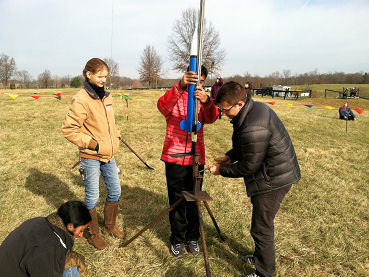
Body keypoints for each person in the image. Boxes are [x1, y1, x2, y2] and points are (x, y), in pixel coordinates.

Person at [207, 81, 301, 277]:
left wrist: (221, 169)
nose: (223, 114)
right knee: (261, 224)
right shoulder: (251, 111)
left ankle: (264, 272)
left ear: (240, 104)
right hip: (273, 172)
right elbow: (248, 146)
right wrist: (231, 156)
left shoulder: (253, 125)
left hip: (273, 179)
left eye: (225, 110)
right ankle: (261, 256)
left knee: (261, 228)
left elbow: (249, 166)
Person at [62, 58, 125, 250]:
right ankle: (94, 234)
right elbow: (69, 129)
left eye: (106, 76)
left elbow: (108, 124)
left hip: (109, 155)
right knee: (92, 198)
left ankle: (109, 227)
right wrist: (93, 144)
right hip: (91, 156)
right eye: (100, 76)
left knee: (115, 191)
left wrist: (115, 135)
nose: (103, 79)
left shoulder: (107, 97)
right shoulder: (81, 99)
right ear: (88, 74)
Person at [157, 66, 219, 258]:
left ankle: (192, 237)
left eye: (200, 81)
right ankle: (177, 238)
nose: (196, 85)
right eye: (192, 80)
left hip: (196, 158)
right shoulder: (175, 95)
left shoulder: (203, 99)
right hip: (174, 157)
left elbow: (213, 117)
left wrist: (207, 102)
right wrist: (180, 86)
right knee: (176, 201)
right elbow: (162, 106)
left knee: (194, 199)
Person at [0, 201, 91, 277]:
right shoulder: (49, 248)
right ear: (70, 226)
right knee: (70, 268)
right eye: (81, 230)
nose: (81, 235)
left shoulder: (40, 221)